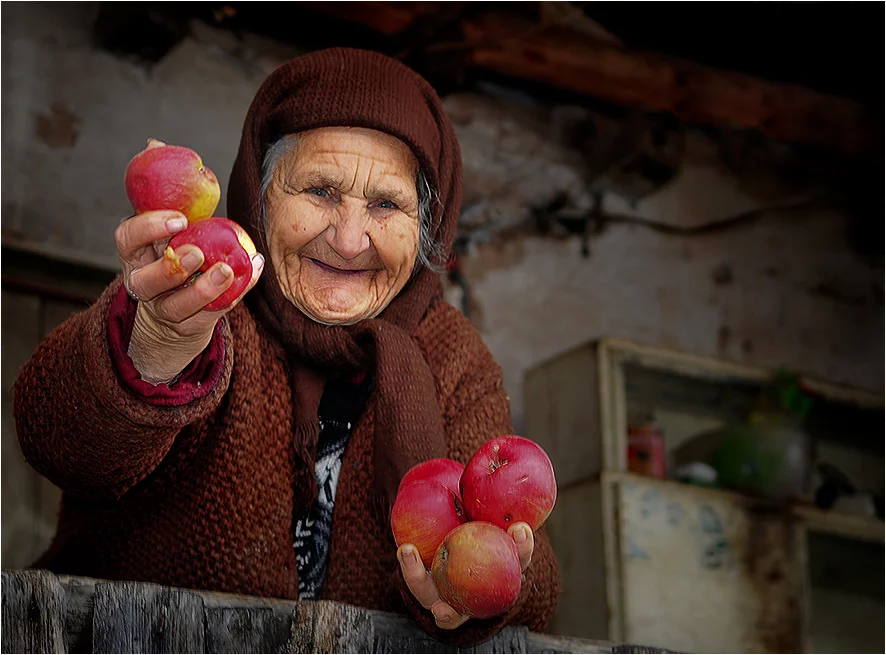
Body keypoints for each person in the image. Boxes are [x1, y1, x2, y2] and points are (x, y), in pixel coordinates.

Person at [13, 47, 560, 645]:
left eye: (387, 204)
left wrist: (490, 584)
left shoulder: (453, 356)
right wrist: (155, 348)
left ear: (427, 225)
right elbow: (57, 439)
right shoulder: (200, 295)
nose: (351, 241)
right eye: (320, 191)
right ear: (261, 194)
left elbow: (534, 572)